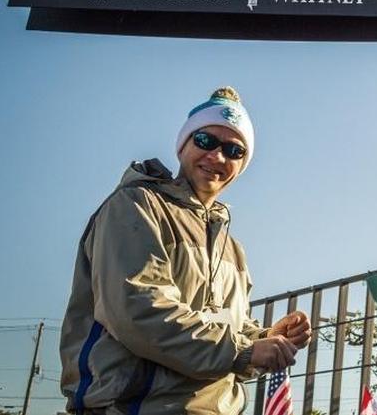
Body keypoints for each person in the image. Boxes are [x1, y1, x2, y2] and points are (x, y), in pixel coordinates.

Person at [60, 87, 312, 415]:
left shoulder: (232, 249)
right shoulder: (137, 205)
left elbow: (226, 325)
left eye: (234, 150)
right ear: (183, 145)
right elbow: (139, 311)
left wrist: (265, 337)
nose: (217, 157)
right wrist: (243, 352)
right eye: (205, 141)